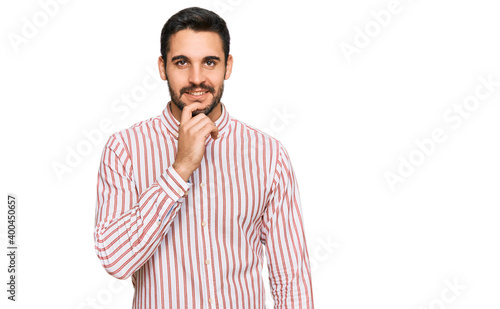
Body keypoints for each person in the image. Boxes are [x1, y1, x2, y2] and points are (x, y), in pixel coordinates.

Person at [94, 7, 314, 308]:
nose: (197, 79)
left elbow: (291, 278)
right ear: (162, 68)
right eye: (182, 62)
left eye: (209, 62)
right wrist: (179, 169)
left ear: (228, 66)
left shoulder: (268, 155)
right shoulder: (124, 150)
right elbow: (115, 260)